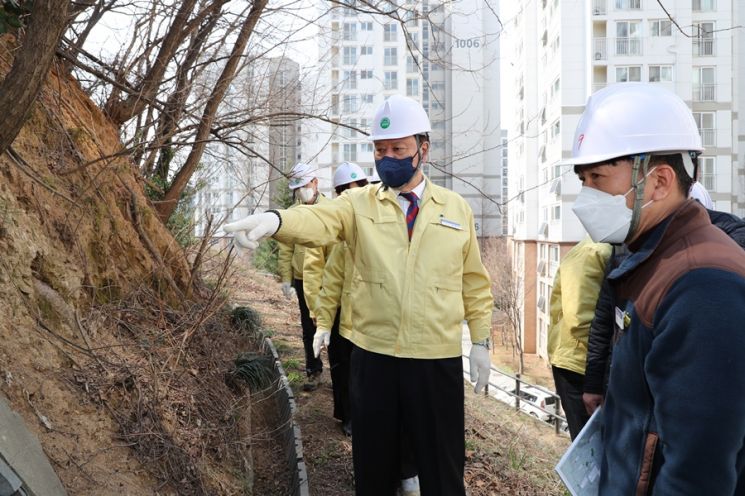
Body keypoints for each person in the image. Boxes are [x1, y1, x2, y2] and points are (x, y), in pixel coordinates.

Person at [224, 94, 493, 496]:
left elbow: (473, 279)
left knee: (443, 469)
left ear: (423, 148)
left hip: (435, 360)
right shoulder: (358, 204)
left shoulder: (454, 209)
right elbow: (318, 218)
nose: (388, 158)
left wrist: (482, 340)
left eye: (398, 149)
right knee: (374, 468)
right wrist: (276, 219)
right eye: (380, 150)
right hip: (375, 357)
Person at [567, 82, 745, 494]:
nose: (585, 197)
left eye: (598, 178)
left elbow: (696, 474)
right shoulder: (651, 260)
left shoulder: (703, 286)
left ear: (660, 181)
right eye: (583, 179)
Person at [582, 183, 745, 416]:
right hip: (627, 387)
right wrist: (593, 383)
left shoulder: (726, 244)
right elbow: (604, 319)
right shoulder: (629, 243)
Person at [308, 161, 368, 436]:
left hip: (373, 320)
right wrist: (321, 319)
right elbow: (327, 277)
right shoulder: (335, 226)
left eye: (357, 188)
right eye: (345, 190)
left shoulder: (379, 229)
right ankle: (348, 416)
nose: (352, 194)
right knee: (344, 370)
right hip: (342, 314)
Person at [547, 237, 611, 440]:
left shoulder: (606, 248)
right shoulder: (595, 251)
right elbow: (580, 320)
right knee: (590, 450)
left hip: (589, 361)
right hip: (579, 364)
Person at [277, 161, 329, 391]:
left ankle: (339, 375)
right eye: (298, 189)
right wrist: (286, 279)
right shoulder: (292, 214)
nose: (302, 192)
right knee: (309, 327)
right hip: (301, 277)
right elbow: (286, 248)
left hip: (328, 279)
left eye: (305, 186)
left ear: (315, 183)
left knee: (333, 326)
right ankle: (313, 370)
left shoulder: (331, 209)